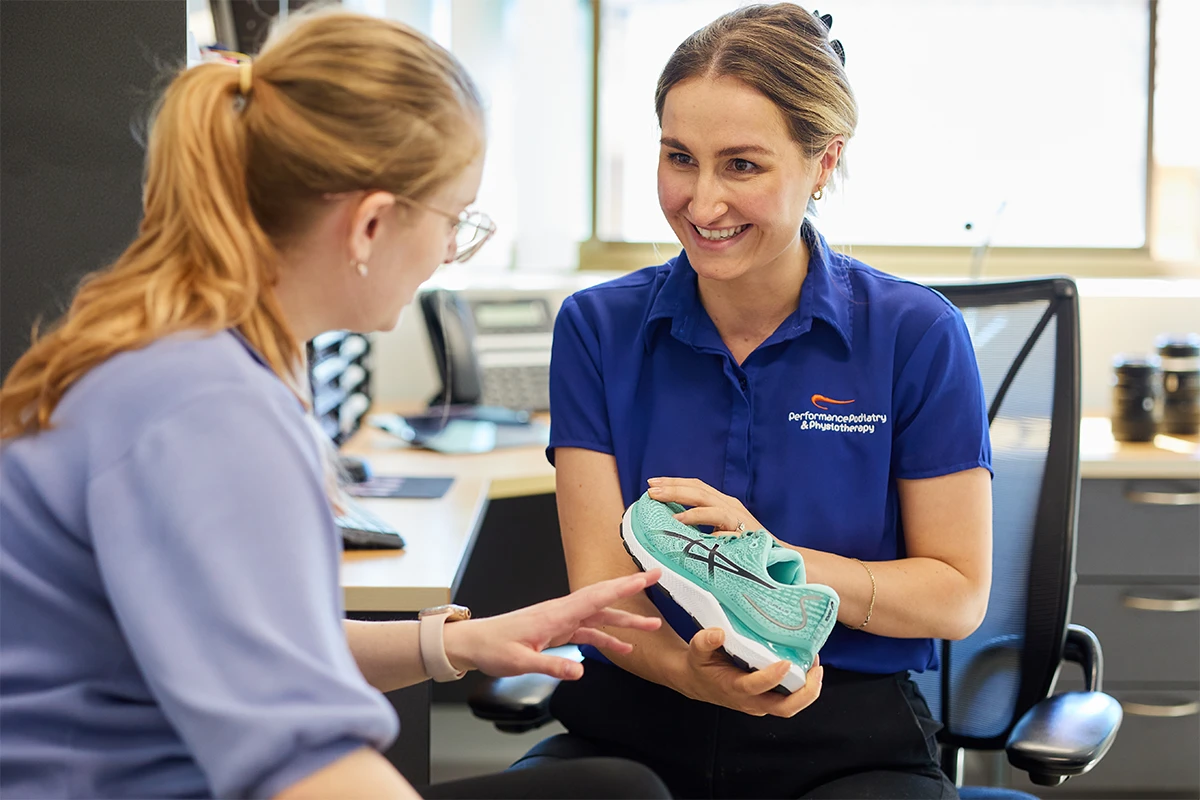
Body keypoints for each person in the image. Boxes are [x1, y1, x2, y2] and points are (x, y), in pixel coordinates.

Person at [0, 9, 672, 800]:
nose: (445, 254)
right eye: (453, 222)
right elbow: (302, 765)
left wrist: (458, 643)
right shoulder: (208, 408)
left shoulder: (179, 352)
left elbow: (259, 644)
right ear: (372, 223)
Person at [524, 3, 993, 799]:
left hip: (851, 733)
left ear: (822, 163)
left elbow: (956, 596)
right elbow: (602, 595)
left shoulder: (915, 333)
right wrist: (695, 677)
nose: (702, 204)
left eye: (742, 165)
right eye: (680, 158)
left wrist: (774, 564)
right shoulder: (598, 328)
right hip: (639, 717)